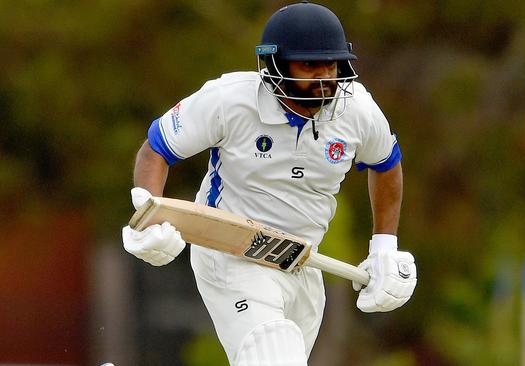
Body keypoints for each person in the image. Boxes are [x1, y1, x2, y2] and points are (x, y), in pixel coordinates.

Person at [121, 1, 417, 365]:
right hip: (230, 253)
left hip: (304, 263)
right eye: (309, 65)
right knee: (274, 355)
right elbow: (156, 151)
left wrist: (384, 246)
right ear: (274, 64)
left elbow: (387, 163)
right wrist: (150, 211)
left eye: (332, 64)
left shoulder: (357, 110)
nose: (324, 77)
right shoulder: (228, 100)